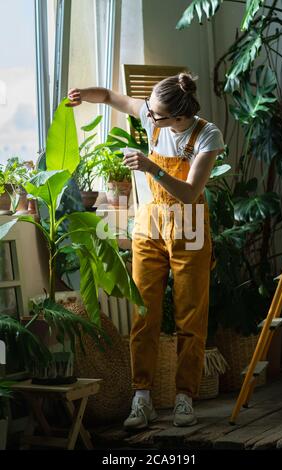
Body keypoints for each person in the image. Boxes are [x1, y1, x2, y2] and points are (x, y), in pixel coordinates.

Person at [67, 72, 224, 429]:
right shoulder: (152, 116)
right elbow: (110, 96)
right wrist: (82, 94)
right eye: (148, 110)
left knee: (190, 317)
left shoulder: (206, 135)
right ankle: (142, 398)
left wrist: (151, 167)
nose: (147, 117)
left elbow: (189, 192)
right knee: (143, 313)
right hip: (150, 226)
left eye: (155, 114)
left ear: (177, 117)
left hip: (190, 229)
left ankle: (185, 397)